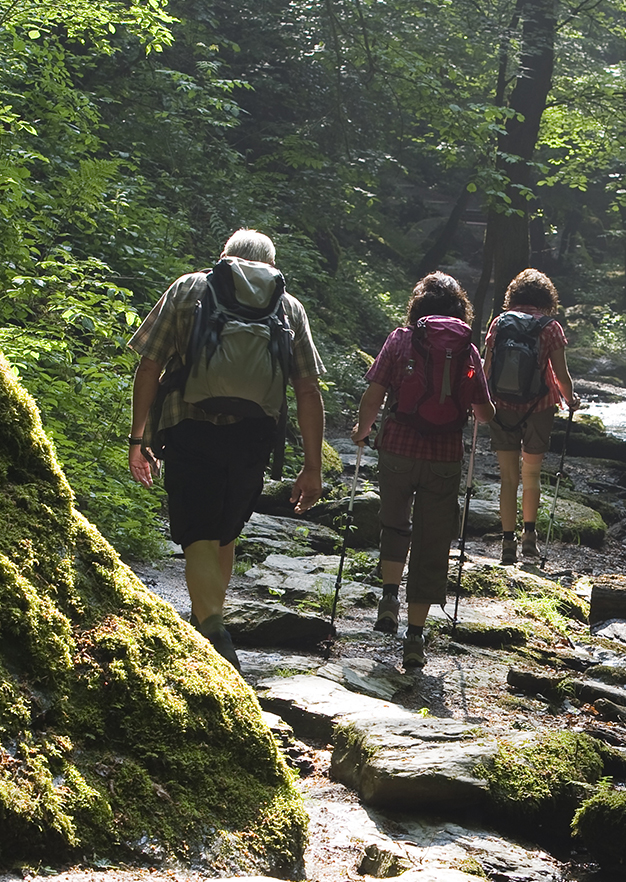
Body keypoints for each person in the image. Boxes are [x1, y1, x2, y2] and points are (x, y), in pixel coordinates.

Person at [127, 229, 326, 671]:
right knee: (226, 532)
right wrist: (312, 466)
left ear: (225, 259)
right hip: (254, 435)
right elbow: (308, 389)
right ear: (270, 265)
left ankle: (214, 633)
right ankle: (208, 630)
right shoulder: (287, 305)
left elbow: (150, 362)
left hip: (188, 424)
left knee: (198, 533)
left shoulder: (189, 288)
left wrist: (138, 436)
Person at [351, 272, 494, 670]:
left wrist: (363, 431)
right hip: (445, 458)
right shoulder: (467, 349)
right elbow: (484, 413)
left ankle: (389, 598)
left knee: (394, 523)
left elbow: (375, 392)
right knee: (432, 541)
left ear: (417, 307)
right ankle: (415, 636)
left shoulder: (401, 339)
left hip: (397, 446)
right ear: (459, 310)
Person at [483, 268, 580, 565]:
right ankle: (529, 537)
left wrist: (479, 402)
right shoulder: (550, 327)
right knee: (532, 475)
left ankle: (506, 542)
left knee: (508, 477)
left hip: (501, 407)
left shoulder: (499, 323)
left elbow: (486, 370)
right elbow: (561, 375)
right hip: (540, 406)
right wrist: (571, 399)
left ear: (514, 295)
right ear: (546, 297)